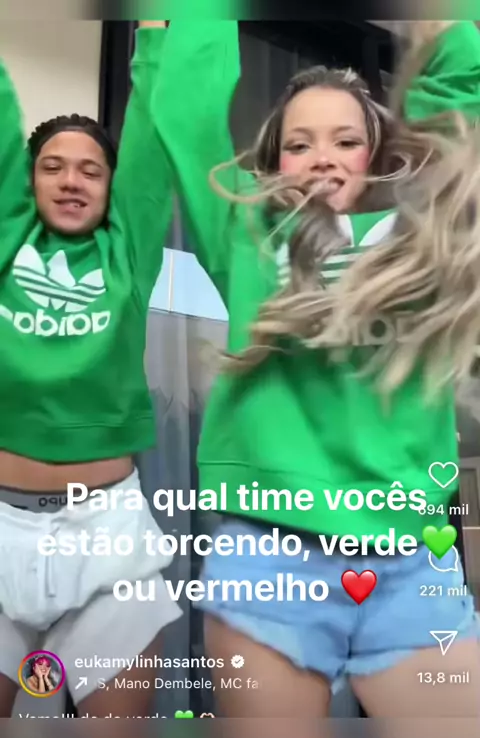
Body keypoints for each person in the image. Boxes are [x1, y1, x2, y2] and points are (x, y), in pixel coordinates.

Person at [151, 19, 480, 729]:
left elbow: (460, 108)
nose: (321, 158)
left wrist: (447, 25)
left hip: (412, 559)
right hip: (270, 554)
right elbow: (187, 105)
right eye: (298, 145)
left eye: (345, 141)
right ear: (273, 166)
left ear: (378, 157)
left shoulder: (420, 238)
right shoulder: (246, 233)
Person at [0, 20, 182, 719]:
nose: (72, 180)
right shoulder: (7, 242)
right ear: (26, 182)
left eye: (91, 170)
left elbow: (151, 143)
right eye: (52, 167)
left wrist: (156, 34)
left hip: (107, 532)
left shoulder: (126, 255)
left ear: (110, 188)